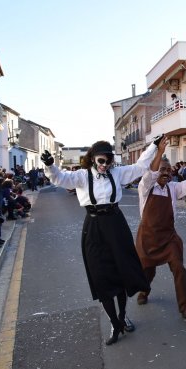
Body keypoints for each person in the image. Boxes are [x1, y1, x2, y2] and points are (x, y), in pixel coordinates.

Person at [41, 140, 155, 345]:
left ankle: (121, 318)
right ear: (92, 158)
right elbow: (59, 178)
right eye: (101, 160)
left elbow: (139, 167)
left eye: (109, 161)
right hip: (93, 227)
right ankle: (114, 321)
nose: (104, 165)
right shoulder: (82, 176)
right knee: (100, 275)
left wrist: (153, 147)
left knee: (121, 272)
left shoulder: (116, 173)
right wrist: (50, 165)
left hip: (116, 225)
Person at [135, 136, 186, 319]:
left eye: (168, 170)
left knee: (179, 268)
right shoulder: (145, 187)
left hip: (168, 238)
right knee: (147, 271)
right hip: (148, 238)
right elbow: (150, 173)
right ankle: (144, 292)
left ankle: (185, 307)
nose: (165, 173)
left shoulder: (173, 188)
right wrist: (159, 152)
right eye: (162, 169)